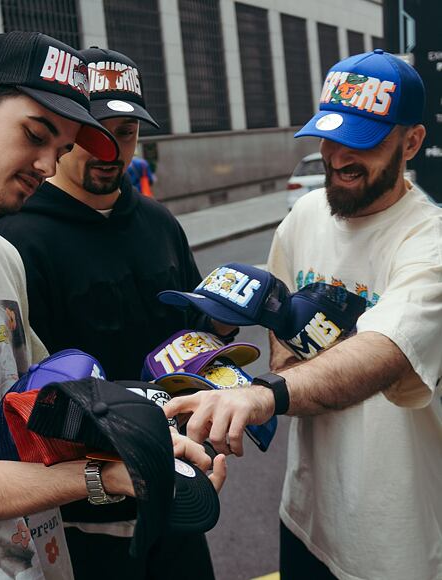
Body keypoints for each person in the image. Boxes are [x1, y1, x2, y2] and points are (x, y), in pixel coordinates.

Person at [0, 32, 224, 580]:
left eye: (59, 149)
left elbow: (52, 403)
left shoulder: (3, 254)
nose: (47, 166)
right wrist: (107, 474)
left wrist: (151, 438)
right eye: (35, 134)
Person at [164, 50, 442, 580]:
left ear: (412, 142)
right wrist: (250, 378)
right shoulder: (307, 214)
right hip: (305, 517)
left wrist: (264, 396)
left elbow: (385, 351)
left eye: (364, 141)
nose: (337, 157)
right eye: (330, 135)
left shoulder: (430, 243)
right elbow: (285, 351)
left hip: (393, 543)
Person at [0, 47, 232, 580]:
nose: (111, 150)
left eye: (125, 132)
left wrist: (220, 326)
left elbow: (194, 338)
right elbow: (21, 398)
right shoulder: (14, 237)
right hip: (82, 520)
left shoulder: (160, 222)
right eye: (94, 131)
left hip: (176, 496)